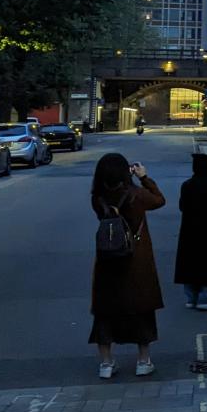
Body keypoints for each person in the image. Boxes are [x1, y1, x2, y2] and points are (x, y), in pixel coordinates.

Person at [89, 153, 166, 379]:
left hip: (107, 259)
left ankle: (106, 363)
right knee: (141, 308)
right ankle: (143, 361)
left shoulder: (98, 198)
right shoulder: (137, 195)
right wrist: (144, 177)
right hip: (136, 259)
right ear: (126, 171)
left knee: (105, 311)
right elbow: (159, 200)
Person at [174, 154, 207, 311]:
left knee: (189, 262)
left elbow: (182, 207)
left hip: (188, 231)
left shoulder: (187, 185)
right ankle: (206, 298)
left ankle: (191, 298)